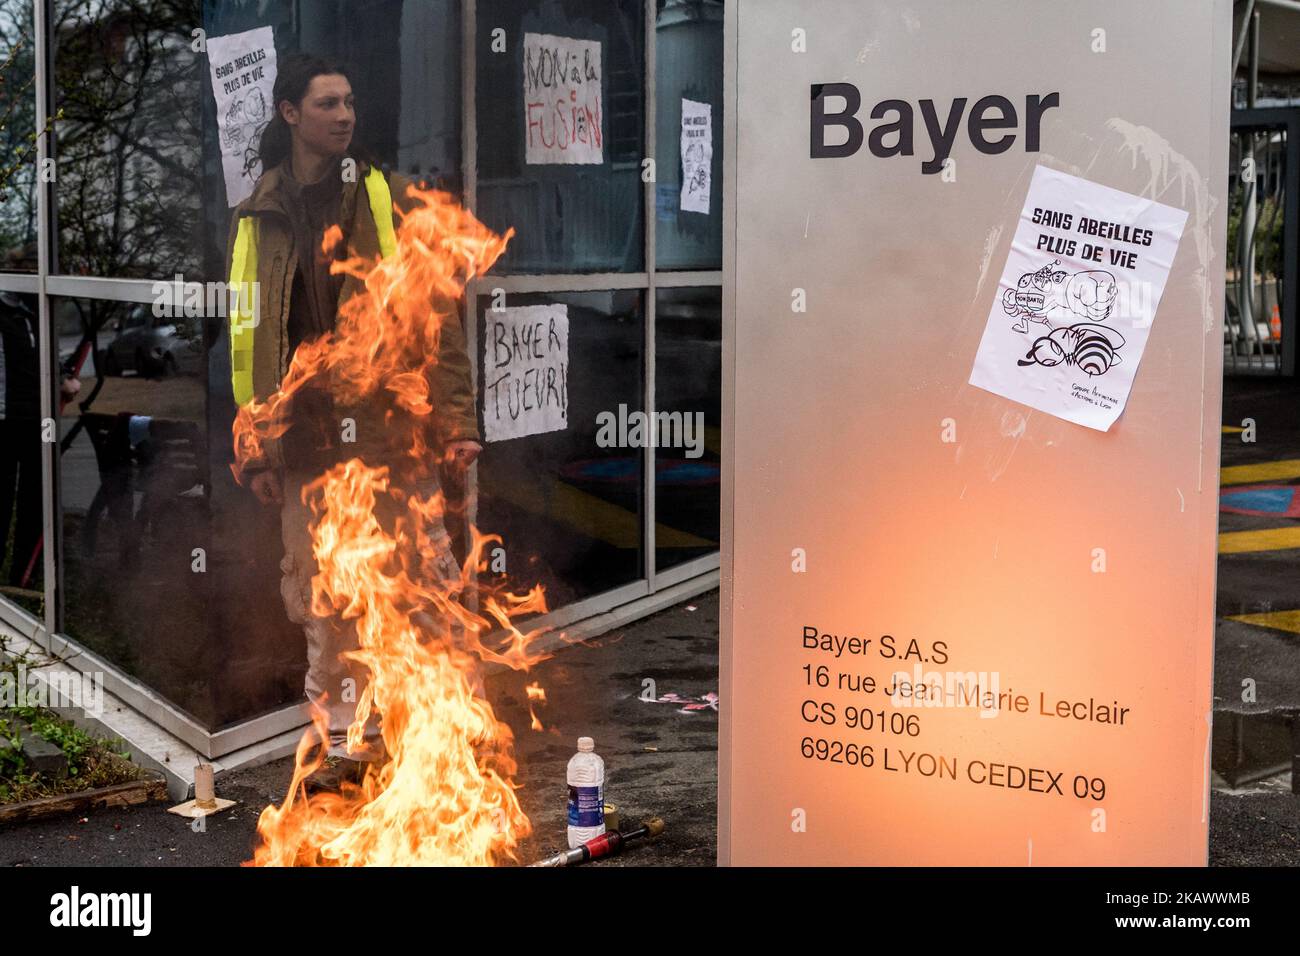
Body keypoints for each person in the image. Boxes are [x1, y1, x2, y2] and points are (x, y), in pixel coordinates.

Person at [225, 54, 482, 790]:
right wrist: (258, 447)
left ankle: (442, 740)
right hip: (305, 447)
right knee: (323, 603)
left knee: (423, 592)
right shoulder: (257, 215)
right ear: (289, 114)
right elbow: (248, 342)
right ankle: (343, 749)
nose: (344, 116)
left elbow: (439, 319)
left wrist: (459, 419)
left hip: (389, 437)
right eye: (327, 103)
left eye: (350, 102)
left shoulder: (385, 199)